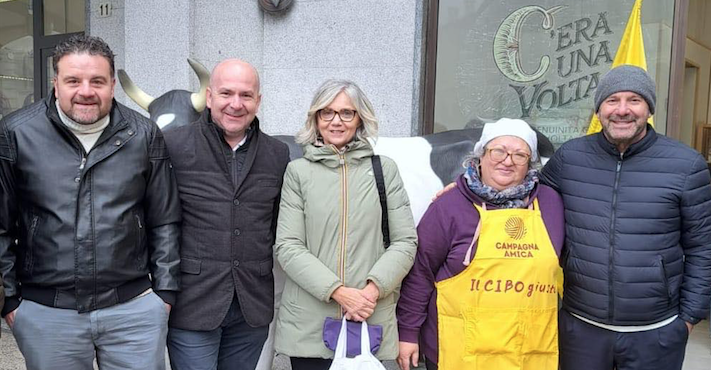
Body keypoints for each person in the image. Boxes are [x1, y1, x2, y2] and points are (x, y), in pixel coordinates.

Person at [0, 34, 181, 369]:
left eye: (97, 81)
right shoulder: (16, 133)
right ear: (56, 83)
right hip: (47, 311)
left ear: (112, 85)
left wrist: (164, 295)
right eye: (73, 80)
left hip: (133, 309)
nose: (86, 91)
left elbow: (164, 218)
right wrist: (10, 299)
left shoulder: (144, 135)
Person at [541, 65, 711, 370]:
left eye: (634, 100)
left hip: (656, 332)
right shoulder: (569, 158)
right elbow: (523, 196)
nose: (622, 110)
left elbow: (703, 247)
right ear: (599, 110)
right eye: (612, 100)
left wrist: (689, 318)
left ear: (649, 109)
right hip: (581, 329)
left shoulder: (686, 165)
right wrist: (460, 188)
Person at [396, 118, 565, 370]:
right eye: (498, 151)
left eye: (519, 155)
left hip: (529, 350)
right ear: (480, 156)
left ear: (529, 164)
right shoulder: (449, 206)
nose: (507, 161)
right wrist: (408, 332)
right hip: (460, 350)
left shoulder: (551, 202)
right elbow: (419, 273)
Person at [274, 79, 418, 370]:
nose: (336, 121)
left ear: (360, 118)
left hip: (368, 316)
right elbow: (288, 247)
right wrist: (340, 292)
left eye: (346, 113)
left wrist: (370, 292)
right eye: (326, 112)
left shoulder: (384, 169)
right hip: (310, 325)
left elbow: (405, 242)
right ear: (315, 119)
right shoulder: (298, 172)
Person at [163, 59, 290, 370]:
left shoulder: (277, 154)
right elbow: (159, 220)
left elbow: (276, 222)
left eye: (246, 95)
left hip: (251, 306)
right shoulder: (173, 145)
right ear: (209, 97)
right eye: (226, 93)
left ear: (258, 101)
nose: (236, 104)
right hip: (193, 304)